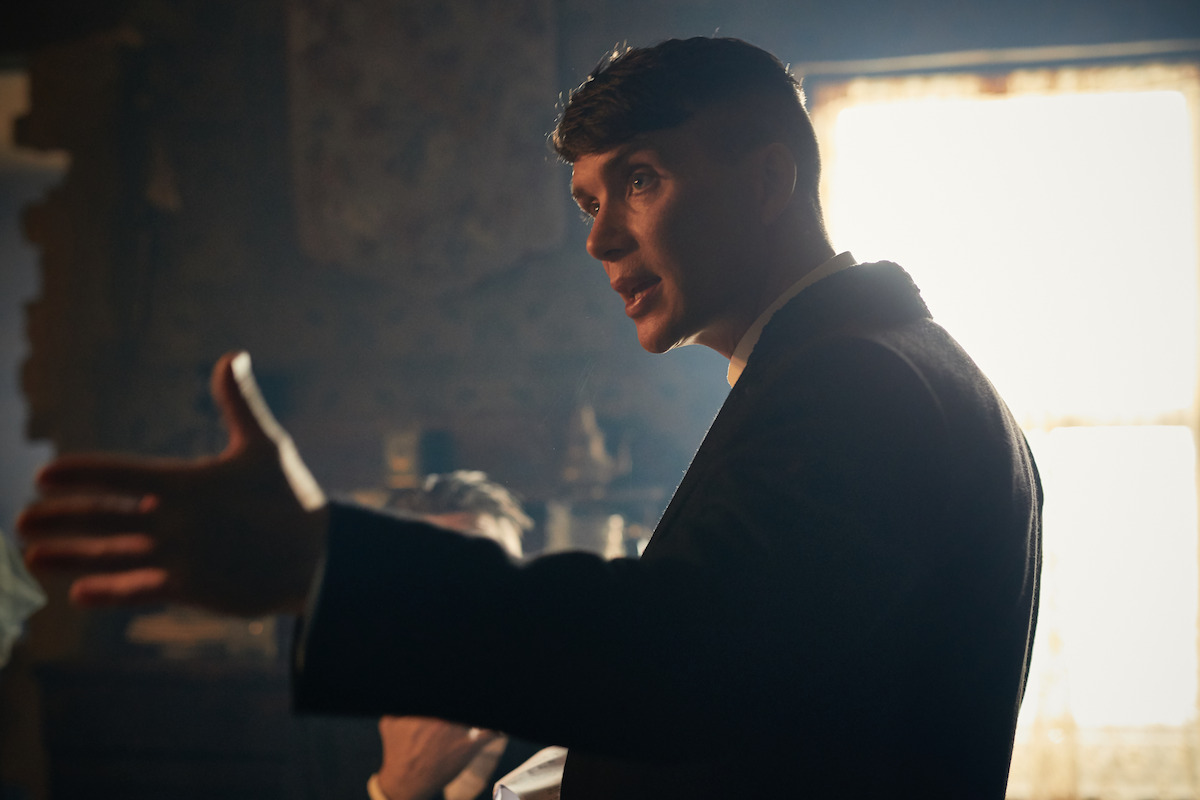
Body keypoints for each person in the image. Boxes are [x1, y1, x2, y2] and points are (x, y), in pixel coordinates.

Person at [17, 37, 1041, 799]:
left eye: (640, 179)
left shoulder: (857, 382)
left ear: (769, 178)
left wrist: (323, 560)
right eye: (586, 199)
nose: (598, 239)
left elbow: (675, 657)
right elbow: (771, 691)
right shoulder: (869, 365)